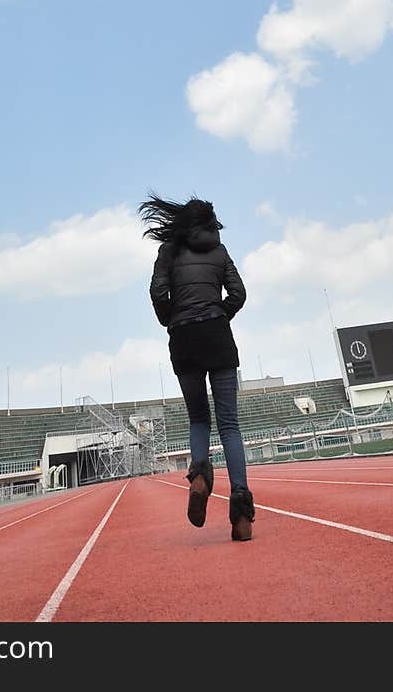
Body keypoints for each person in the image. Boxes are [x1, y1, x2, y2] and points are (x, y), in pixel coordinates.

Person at [139, 194, 255, 541]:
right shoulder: (219, 251)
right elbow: (239, 292)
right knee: (230, 424)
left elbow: (158, 292)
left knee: (198, 418)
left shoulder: (168, 252)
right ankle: (242, 515)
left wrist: (171, 320)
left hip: (184, 338)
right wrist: (220, 313)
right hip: (217, 335)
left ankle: (200, 476)